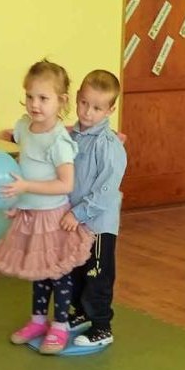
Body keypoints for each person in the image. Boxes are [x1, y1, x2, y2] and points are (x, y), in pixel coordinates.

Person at [0, 60, 93, 354]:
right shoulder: (24, 127)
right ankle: (37, 321)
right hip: (29, 214)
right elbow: (23, 167)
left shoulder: (59, 141)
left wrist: (25, 188)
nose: (35, 104)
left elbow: (65, 184)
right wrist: (18, 202)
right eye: (30, 96)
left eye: (44, 98)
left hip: (52, 218)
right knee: (38, 272)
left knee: (57, 274)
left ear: (61, 101)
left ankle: (60, 326)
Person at [60, 70, 127, 347]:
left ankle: (101, 327)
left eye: (97, 108)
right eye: (84, 103)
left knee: (96, 274)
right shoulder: (73, 136)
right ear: (77, 98)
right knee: (76, 269)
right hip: (75, 221)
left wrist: (78, 213)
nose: (88, 112)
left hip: (98, 225)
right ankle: (81, 313)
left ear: (110, 110)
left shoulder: (108, 145)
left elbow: (106, 191)